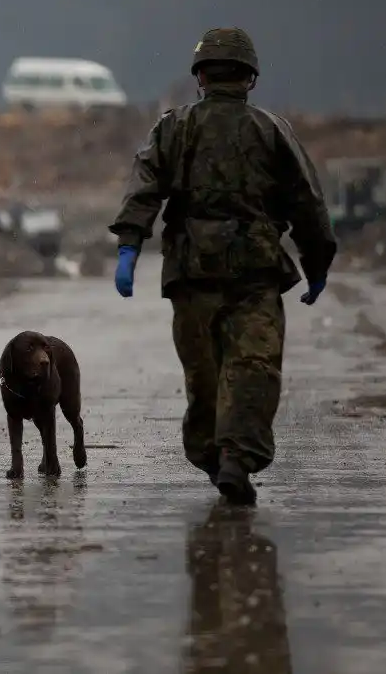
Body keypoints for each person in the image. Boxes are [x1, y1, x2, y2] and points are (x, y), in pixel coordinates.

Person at [108, 28, 337, 505]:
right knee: (251, 367)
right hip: (254, 273)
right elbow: (306, 202)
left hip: (192, 273)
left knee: (205, 373)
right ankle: (233, 457)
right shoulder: (271, 130)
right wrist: (317, 262)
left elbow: (145, 184)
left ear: (200, 77)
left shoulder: (173, 128)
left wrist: (130, 244)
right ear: (250, 78)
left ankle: (220, 456)